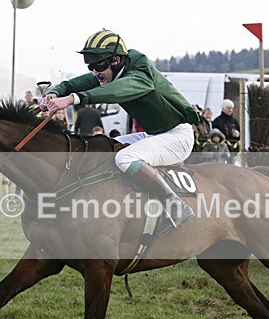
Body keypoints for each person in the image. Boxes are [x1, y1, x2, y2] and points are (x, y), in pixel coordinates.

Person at [41, 29, 199, 232]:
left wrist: (72, 99)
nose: (95, 72)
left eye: (98, 65)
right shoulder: (109, 71)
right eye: (91, 66)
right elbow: (73, 83)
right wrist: (54, 93)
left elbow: (116, 91)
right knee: (102, 147)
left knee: (124, 158)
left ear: (116, 60)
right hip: (153, 135)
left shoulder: (140, 73)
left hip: (177, 136)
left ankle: (175, 205)